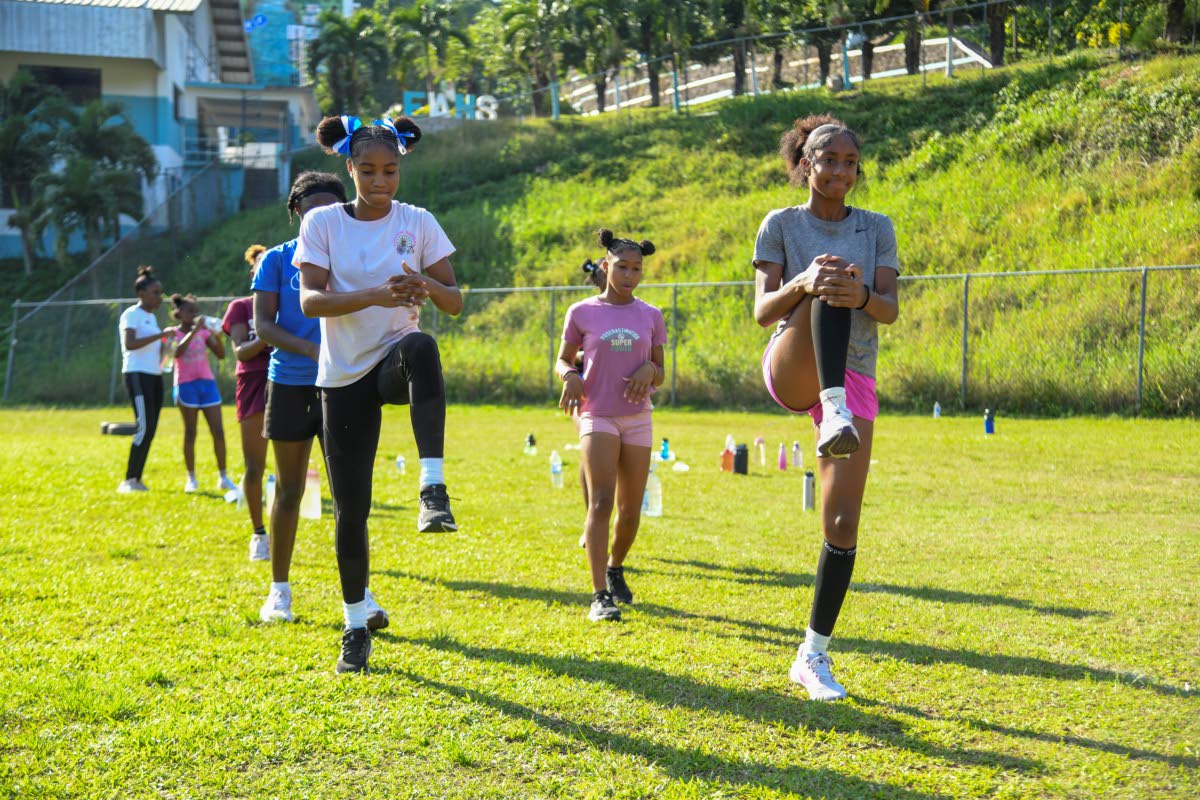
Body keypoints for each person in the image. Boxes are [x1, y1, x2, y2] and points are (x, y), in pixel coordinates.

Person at [296, 115, 463, 673]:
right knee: (352, 511)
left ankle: (433, 489)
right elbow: (311, 303)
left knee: (422, 346)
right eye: (367, 170)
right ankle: (354, 624)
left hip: (392, 360)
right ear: (350, 168)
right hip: (341, 376)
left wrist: (426, 286)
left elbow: (454, 300)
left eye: (389, 170)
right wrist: (376, 293)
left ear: (401, 168)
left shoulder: (418, 222)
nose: (380, 181)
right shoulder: (322, 222)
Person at [752, 114, 900, 701]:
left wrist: (861, 293)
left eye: (849, 162)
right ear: (804, 164)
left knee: (841, 524)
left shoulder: (876, 227)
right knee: (826, 278)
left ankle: (812, 655)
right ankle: (832, 406)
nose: (839, 169)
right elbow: (763, 311)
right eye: (827, 159)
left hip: (856, 372)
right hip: (794, 366)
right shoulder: (780, 225)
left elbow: (887, 307)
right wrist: (809, 279)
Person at [253, 171, 388, 629]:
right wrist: (314, 349)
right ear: (296, 215)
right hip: (291, 383)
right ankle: (279, 592)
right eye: (312, 212)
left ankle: (362, 597)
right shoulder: (276, 260)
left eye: (331, 210)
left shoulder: (358, 255)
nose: (323, 219)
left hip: (345, 383)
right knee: (291, 490)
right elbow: (265, 327)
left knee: (349, 500)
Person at [557, 229, 666, 623]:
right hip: (597, 414)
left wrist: (650, 368)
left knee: (631, 511)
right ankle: (599, 594)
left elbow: (661, 373)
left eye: (636, 269)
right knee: (602, 500)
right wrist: (569, 374)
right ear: (605, 266)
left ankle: (616, 567)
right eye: (621, 267)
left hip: (638, 419)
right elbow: (563, 359)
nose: (629, 276)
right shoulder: (581, 312)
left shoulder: (651, 315)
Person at [222, 245, 272, 560]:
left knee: (293, 467)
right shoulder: (241, 307)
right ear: (253, 273)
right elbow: (241, 351)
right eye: (261, 270)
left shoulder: (289, 304)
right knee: (255, 466)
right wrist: (269, 335)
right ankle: (259, 534)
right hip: (253, 382)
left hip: (289, 379)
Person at [168, 293, 238, 494]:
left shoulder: (203, 333)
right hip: (186, 385)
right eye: (190, 311)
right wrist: (195, 330)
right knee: (191, 432)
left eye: (196, 312)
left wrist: (216, 334)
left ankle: (223, 476)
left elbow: (221, 355)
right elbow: (177, 353)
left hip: (207, 385)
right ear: (179, 312)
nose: (195, 315)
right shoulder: (174, 332)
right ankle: (191, 478)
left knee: (218, 431)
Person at [117, 266, 166, 493]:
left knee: (151, 429)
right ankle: (128, 479)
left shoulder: (152, 318)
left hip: (154, 376)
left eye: (160, 292)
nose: (160, 296)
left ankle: (137, 479)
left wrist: (168, 347)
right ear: (142, 294)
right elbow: (130, 344)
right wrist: (161, 335)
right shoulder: (131, 315)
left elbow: (155, 349)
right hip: (137, 375)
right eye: (155, 292)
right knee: (144, 427)